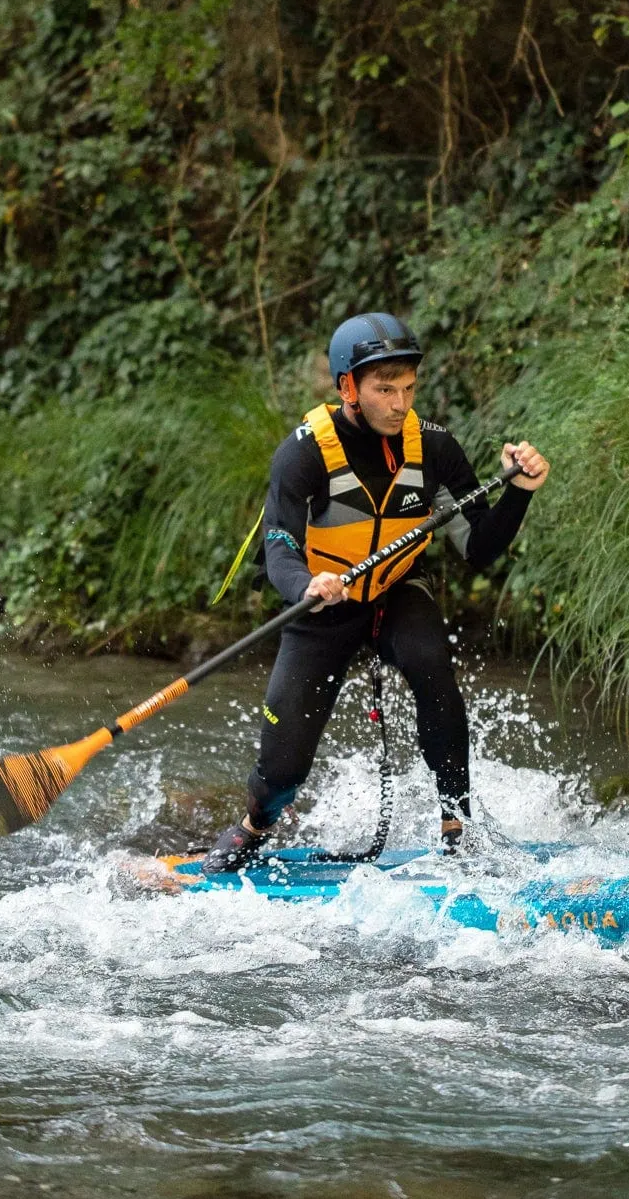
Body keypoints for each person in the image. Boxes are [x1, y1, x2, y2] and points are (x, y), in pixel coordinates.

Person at [202, 312, 550, 873]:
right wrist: (306, 585)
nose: (400, 403)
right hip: (322, 602)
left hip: (396, 590)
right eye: (384, 389)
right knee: (283, 765)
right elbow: (278, 546)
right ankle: (255, 825)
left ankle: (456, 826)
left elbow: (478, 549)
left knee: (429, 661)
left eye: (408, 388)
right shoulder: (304, 452)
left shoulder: (434, 448)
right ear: (348, 388)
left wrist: (520, 493)